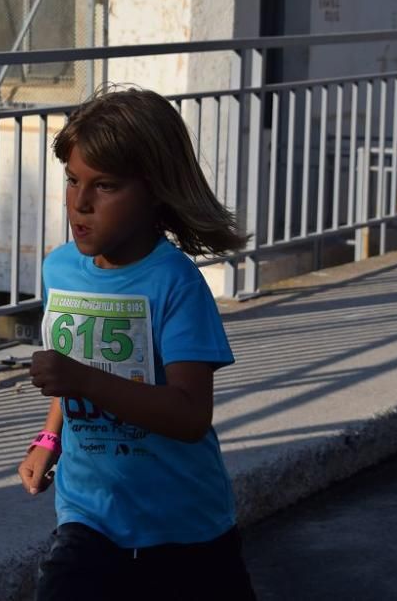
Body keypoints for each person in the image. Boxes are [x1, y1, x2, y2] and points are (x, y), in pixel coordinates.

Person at [18, 87, 256, 600]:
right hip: (89, 514)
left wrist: (81, 379)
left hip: (184, 531)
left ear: (154, 191)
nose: (79, 203)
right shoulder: (59, 269)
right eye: (73, 180)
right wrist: (49, 437)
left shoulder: (176, 284)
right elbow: (76, 366)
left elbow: (191, 415)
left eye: (105, 186)